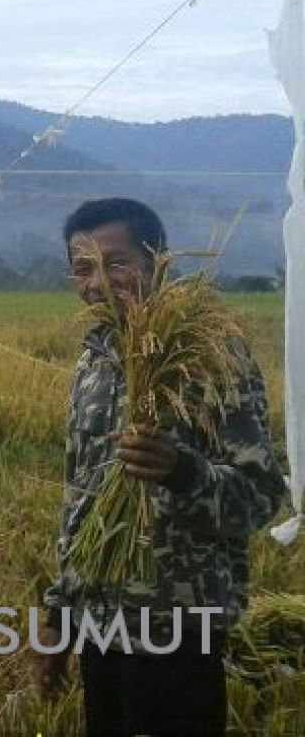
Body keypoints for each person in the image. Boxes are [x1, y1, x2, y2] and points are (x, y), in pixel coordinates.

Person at [36, 198, 286, 736]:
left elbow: (260, 496)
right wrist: (60, 616)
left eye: (117, 262)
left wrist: (182, 472)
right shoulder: (94, 359)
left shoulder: (211, 357)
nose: (98, 282)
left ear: (159, 262)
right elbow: (78, 500)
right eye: (83, 268)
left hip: (177, 628)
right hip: (100, 627)